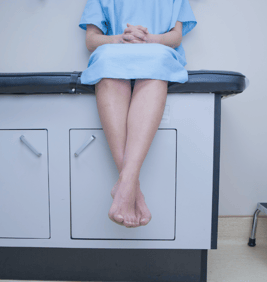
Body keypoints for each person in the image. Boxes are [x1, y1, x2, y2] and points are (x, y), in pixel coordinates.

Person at [79, 0, 196, 228]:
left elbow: (175, 36)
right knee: (106, 59)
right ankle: (132, 187)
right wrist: (120, 39)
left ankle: (125, 183)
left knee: (157, 58)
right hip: (114, 51)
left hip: (156, 51)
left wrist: (148, 38)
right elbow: (92, 40)